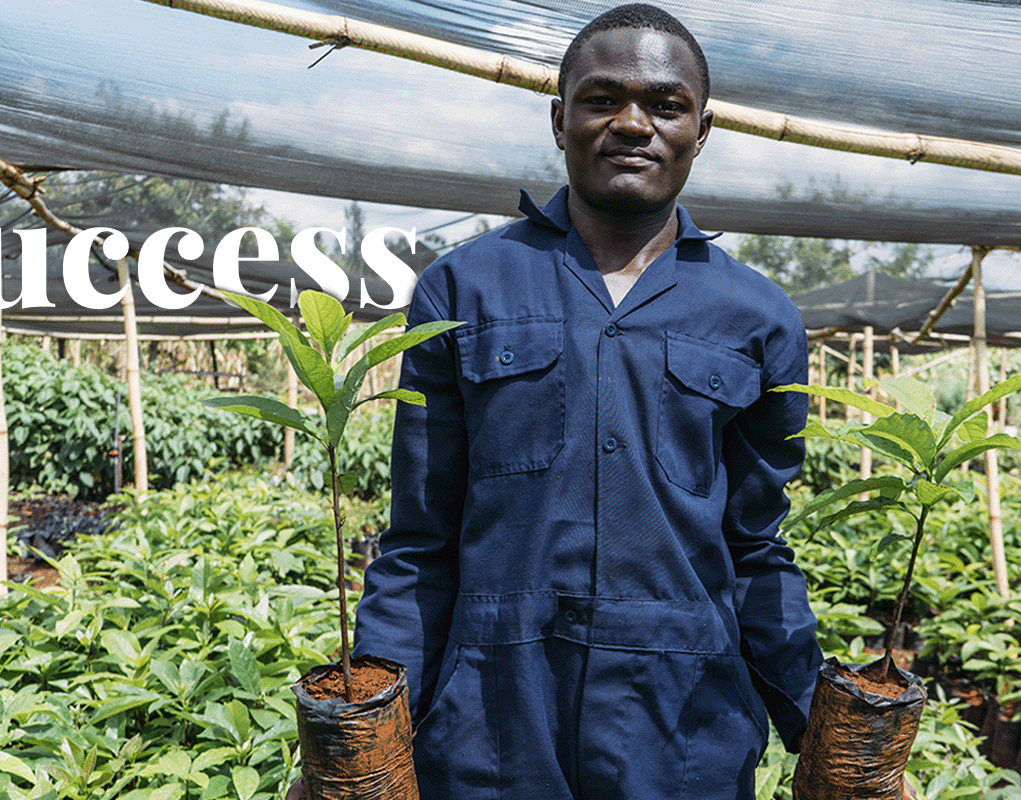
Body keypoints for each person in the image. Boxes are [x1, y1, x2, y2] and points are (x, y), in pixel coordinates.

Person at [293, 5, 822, 798]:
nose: (634, 124)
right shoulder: (465, 286)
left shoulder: (757, 316)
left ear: (701, 130)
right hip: (494, 724)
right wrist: (353, 745)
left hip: (683, 732)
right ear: (558, 118)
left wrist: (835, 742)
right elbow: (419, 541)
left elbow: (755, 549)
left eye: (666, 105)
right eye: (602, 99)